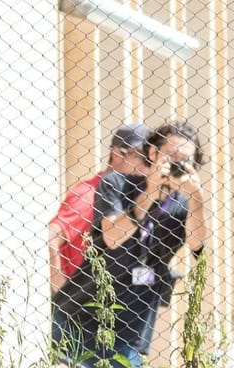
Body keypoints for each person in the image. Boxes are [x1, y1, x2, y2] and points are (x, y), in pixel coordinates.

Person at [90, 121, 208, 366]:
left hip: (136, 323)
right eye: (171, 156)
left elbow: (197, 247)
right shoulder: (117, 184)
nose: (176, 165)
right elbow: (112, 238)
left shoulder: (185, 204)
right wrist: (151, 193)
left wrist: (197, 198)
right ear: (152, 153)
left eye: (184, 161)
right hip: (89, 310)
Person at [48, 122, 152, 364]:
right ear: (119, 153)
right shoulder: (90, 193)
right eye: (143, 158)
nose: (148, 167)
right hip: (83, 315)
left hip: (117, 315)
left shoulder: (138, 196)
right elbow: (54, 233)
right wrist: (59, 281)